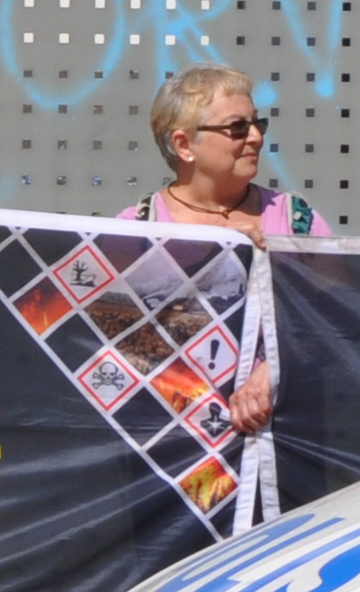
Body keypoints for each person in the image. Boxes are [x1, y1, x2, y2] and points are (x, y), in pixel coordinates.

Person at [120, 64, 328, 437]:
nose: (255, 138)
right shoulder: (134, 228)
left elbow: (337, 317)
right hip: (164, 446)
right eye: (236, 128)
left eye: (257, 124)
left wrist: (276, 369)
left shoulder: (297, 221)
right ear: (184, 145)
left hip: (280, 443)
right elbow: (109, 339)